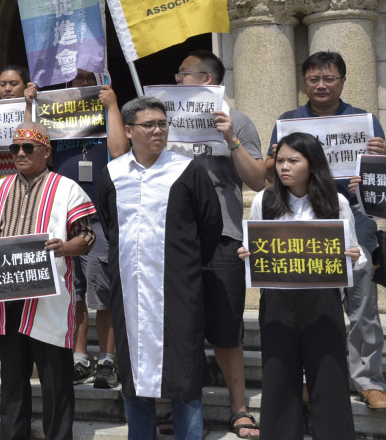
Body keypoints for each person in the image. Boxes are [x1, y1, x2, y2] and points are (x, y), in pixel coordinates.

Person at [264, 51, 386, 411]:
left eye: (329, 78)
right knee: (304, 305)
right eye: (314, 79)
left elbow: (379, 183)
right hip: (300, 229)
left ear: (342, 82)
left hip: (354, 225)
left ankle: (369, 381)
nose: (321, 85)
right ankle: (305, 379)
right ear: (304, 82)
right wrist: (273, 159)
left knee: (361, 305)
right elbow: (272, 175)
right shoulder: (288, 122)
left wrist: (382, 157)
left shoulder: (364, 122)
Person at [96, 96, 221, 440]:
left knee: (184, 375)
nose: (158, 131)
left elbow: (210, 226)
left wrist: (183, 265)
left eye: (162, 124)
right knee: (134, 375)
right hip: (130, 289)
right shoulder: (113, 174)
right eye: (149, 125)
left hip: (178, 290)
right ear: (130, 131)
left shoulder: (187, 170)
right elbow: (110, 226)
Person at [0, 122, 95, 440]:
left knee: (56, 382)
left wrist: (64, 247)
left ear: (46, 152)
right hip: (7, 297)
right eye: (15, 148)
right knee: (12, 382)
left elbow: (86, 238)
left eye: (28, 147)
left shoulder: (66, 189)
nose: (20, 153)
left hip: (49, 300)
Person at [239, 131, 363, 439]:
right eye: (280, 161)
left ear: (312, 164)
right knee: (279, 378)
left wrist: (354, 255)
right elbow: (251, 251)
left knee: (329, 377)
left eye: (294, 161)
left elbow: (355, 257)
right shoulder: (264, 201)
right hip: (277, 301)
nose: (284, 168)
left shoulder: (336, 203)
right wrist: (246, 254)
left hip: (322, 302)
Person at [45, 70, 120, 390]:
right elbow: (30, 140)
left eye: (89, 78)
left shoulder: (108, 110)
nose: (82, 85)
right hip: (64, 219)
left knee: (103, 294)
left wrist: (113, 106)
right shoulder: (55, 113)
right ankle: (78, 359)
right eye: (76, 80)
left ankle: (106, 360)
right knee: (72, 294)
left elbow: (119, 152)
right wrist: (33, 105)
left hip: (100, 219)